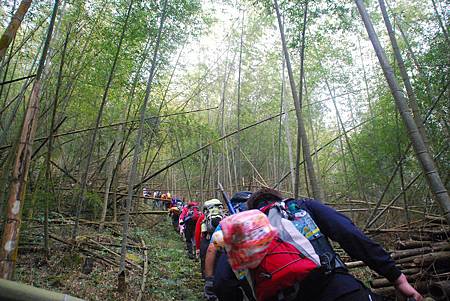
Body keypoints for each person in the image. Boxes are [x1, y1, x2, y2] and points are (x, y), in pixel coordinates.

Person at [241, 187, 423, 301]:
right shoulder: (300, 207)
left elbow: (226, 281)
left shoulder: (244, 234)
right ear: (278, 198)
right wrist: (396, 277)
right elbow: (349, 234)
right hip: (337, 289)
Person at [203, 191, 255, 301]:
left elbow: (212, 249)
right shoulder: (265, 217)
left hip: (240, 272)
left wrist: (209, 280)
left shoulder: (227, 224)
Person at [195, 199, 225, 277]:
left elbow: (197, 233)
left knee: (205, 259)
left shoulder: (203, 217)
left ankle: (206, 277)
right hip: (219, 241)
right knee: (218, 258)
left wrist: (198, 248)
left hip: (207, 240)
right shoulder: (224, 216)